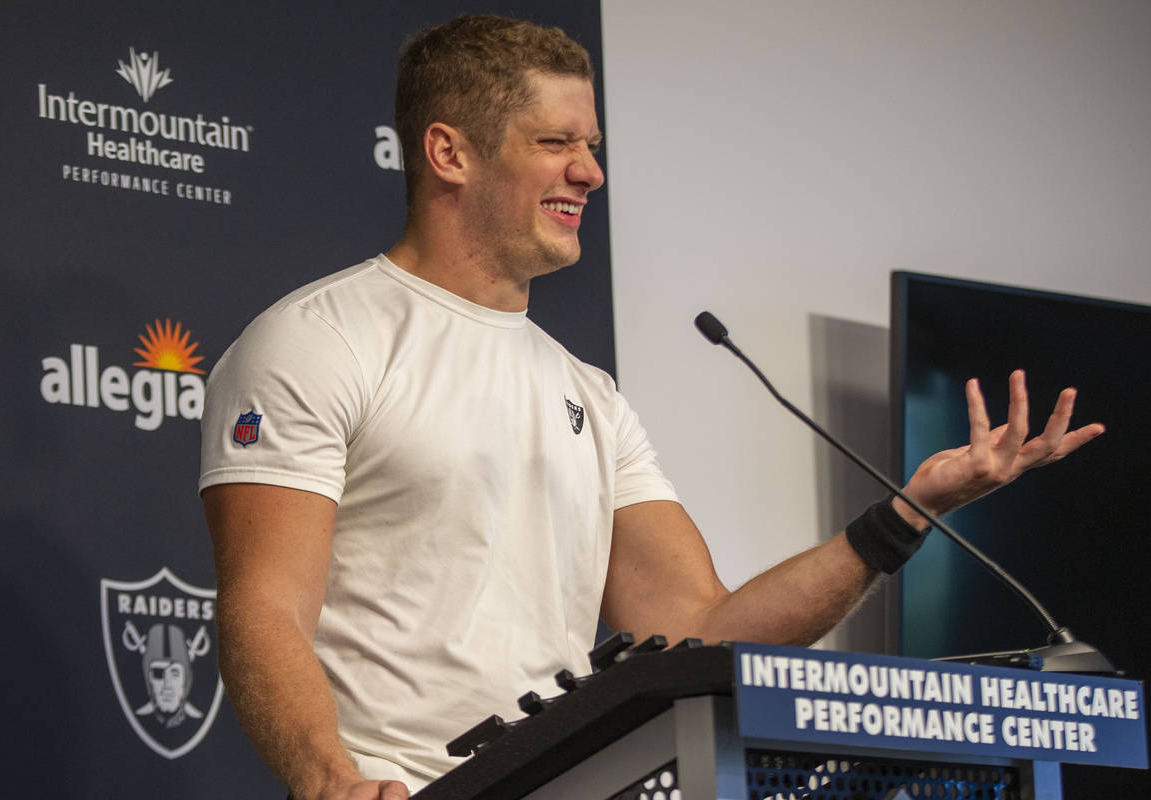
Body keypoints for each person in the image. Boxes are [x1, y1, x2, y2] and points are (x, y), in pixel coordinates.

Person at [198, 15, 1104, 800]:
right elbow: (264, 607)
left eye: (593, 147)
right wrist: (328, 779)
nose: (590, 173)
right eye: (555, 143)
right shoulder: (322, 340)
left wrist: (906, 516)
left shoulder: (587, 392)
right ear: (451, 153)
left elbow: (702, 633)